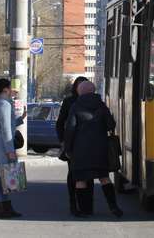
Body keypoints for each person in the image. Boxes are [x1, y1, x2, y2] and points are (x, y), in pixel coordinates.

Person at [64, 81, 123, 217]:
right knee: (104, 178)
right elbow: (110, 125)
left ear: (80, 92)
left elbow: (70, 129)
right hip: (100, 149)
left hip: (80, 150)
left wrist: (68, 149)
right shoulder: (101, 105)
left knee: (80, 180)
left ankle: (84, 210)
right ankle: (113, 207)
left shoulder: (76, 106)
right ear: (93, 91)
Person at [0, 78, 26, 219]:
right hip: (5, 146)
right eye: (10, 88)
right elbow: (6, 130)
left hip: (0, 145)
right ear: (5, 90)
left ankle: (5, 207)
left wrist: (20, 118)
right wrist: (10, 150)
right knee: (2, 178)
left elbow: (6, 125)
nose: (12, 91)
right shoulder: (4, 105)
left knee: (3, 177)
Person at [56, 76, 91, 216]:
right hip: (72, 144)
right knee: (73, 175)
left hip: (88, 145)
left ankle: (86, 205)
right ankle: (73, 203)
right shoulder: (69, 101)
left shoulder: (93, 101)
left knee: (88, 174)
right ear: (76, 87)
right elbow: (60, 123)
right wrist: (62, 141)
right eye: (80, 85)